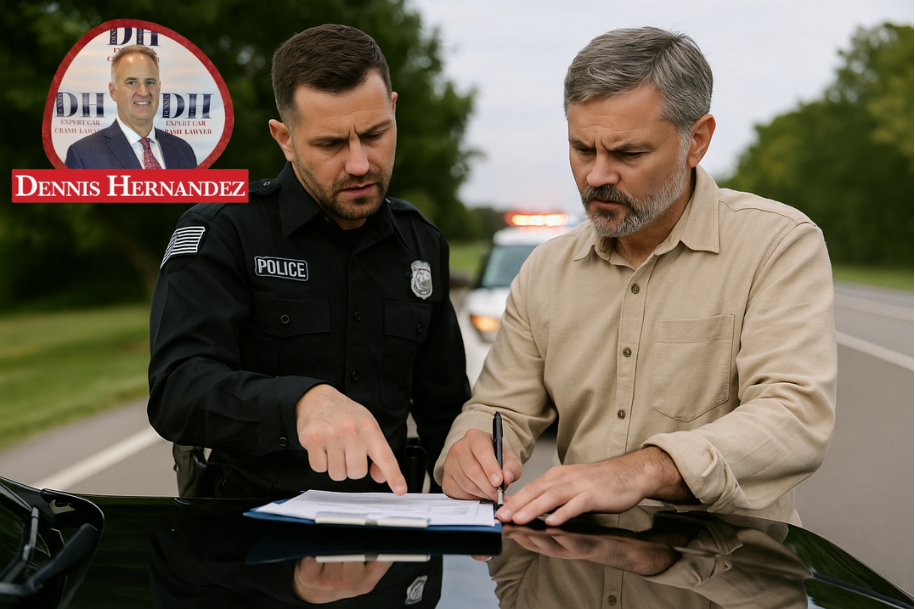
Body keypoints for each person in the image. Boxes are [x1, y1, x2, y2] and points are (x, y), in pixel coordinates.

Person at [435, 27, 836, 527]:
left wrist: (640, 471)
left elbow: (794, 418)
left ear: (698, 141)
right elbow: (499, 408)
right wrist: (466, 448)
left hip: (731, 575)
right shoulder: (545, 269)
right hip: (576, 570)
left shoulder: (778, 245)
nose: (597, 175)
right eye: (582, 149)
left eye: (628, 154)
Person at [148, 24, 470, 498]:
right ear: (285, 138)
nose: (360, 163)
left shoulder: (421, 242)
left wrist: (471, 473)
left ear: (394, 110)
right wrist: (299, 401)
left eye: (375, 134)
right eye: (331, 144)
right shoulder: (225, 230)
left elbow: (445, 409)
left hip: (392, 540)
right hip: (251, 545)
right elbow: (178, 391)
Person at [64, 44, 197, 169]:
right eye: (132, 82)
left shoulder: (183, 150)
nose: (144, 92)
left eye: (150, 82)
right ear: (113, 91)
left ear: (159, 87)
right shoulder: (82, 155)